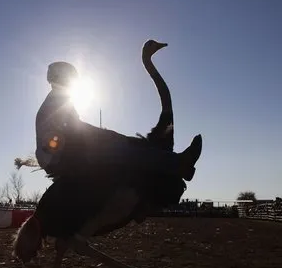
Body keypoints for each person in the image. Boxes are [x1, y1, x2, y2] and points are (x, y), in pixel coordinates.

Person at [35, 61, 202, 181]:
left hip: (61, 156)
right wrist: (108, 136)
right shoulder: (58, 103)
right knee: (127, 152)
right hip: (65, 157)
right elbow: (75, 130)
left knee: (120, 144)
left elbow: (74, 129)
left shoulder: (56, 102)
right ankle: (178, 164)